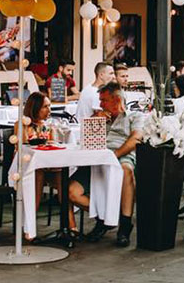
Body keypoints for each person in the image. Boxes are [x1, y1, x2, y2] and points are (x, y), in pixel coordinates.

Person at [69, 83, 144, 246]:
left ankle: (124, 226)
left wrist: (114, 155)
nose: (100, 104)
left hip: (120, 157)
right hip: (95, 160)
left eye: (103, 100)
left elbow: (136, 139)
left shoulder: (134, 116)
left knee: (126, 170)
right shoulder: (100, 117)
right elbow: (85, 141)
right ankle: (104, 218)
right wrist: (95, 123)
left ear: (116, 99)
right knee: (71, 192)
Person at [17, 92, 65, 237]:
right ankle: (29, 227)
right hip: (25, 167)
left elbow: (52, 143)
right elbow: (23, 146)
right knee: (37, 174)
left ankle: (69, 224)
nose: (49, 110)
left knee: (62, 175)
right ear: (35, 108)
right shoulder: (23, 124)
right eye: (45, 107)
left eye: (49, 106)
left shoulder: (47, 126)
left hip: (47, 165)